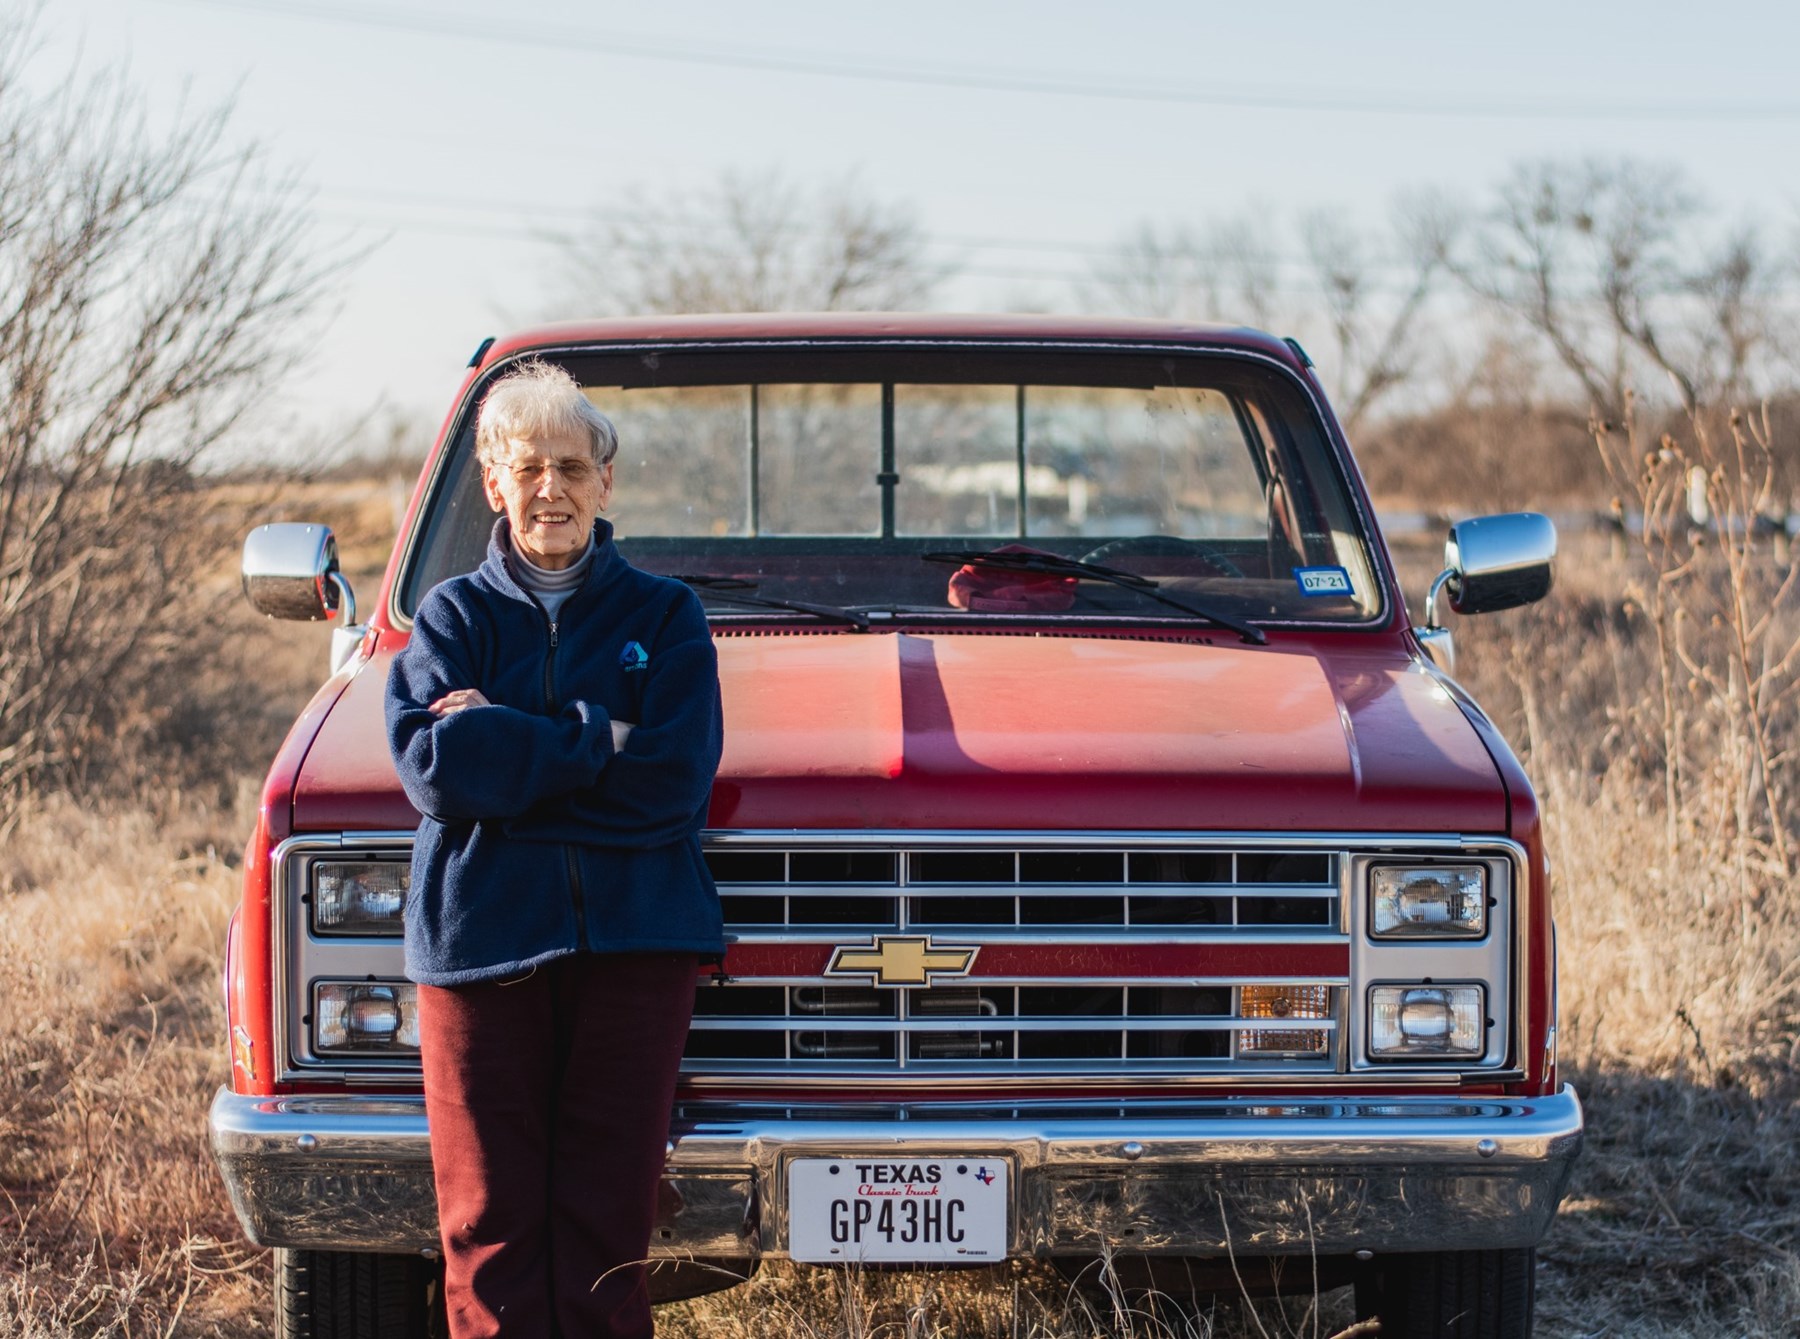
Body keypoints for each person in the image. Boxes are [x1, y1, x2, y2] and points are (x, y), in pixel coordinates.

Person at [385, 360, 724, 1338]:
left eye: (572, 467)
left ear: (604, 481)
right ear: (494, 482)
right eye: (529, 467)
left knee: (607, 1234)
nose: (551, 489)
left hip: (637, 950)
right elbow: (435, 766)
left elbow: (674, 782)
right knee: (486, 1231)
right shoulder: (451, 617)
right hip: (480, 948)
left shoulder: (665, 616)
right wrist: (594, 737)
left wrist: (511, 758)